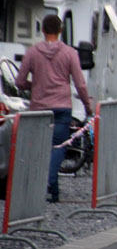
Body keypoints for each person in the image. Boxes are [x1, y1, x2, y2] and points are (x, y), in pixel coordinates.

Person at [15, 14, 93, 203]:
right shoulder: (69, 53)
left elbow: (19, 81)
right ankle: (51, 184)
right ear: (60, 30)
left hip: (39, 108)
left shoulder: (32, 52)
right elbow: (80, 84)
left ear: (42, 30)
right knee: (58, 146)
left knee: (38, 148)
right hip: (61, 107)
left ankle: (39, 188)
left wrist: (33, 86)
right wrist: (87, 105)